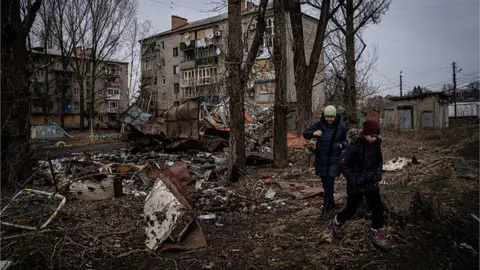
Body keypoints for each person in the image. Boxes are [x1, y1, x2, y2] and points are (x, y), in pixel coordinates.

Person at [331, 120, 390, 251]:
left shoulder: (376, 146)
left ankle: (376, 233)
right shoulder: (354, 146)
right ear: (365, 134)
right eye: (371, 136)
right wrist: (354, 180)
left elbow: (379, 163)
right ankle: (336, 221)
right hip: (356, 184)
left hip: (371, 183)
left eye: (376, 136)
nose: (374, 139)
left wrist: (377, 175)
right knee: (351, 209)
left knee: (378, 208)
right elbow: (343, 164)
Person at [303, 105, 347, 220]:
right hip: (321, 159)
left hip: (334, 160)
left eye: (331, 117)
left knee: (329, 186)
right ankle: (331, 203)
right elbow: (305, 134)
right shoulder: (319, 125)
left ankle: (325, 212)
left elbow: (345, 141)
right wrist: (313, 134)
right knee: (325, 183)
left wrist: (342, 145)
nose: (329, 119)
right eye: (327, 117)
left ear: (335, 116)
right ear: (324, 116)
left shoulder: (341, 126)